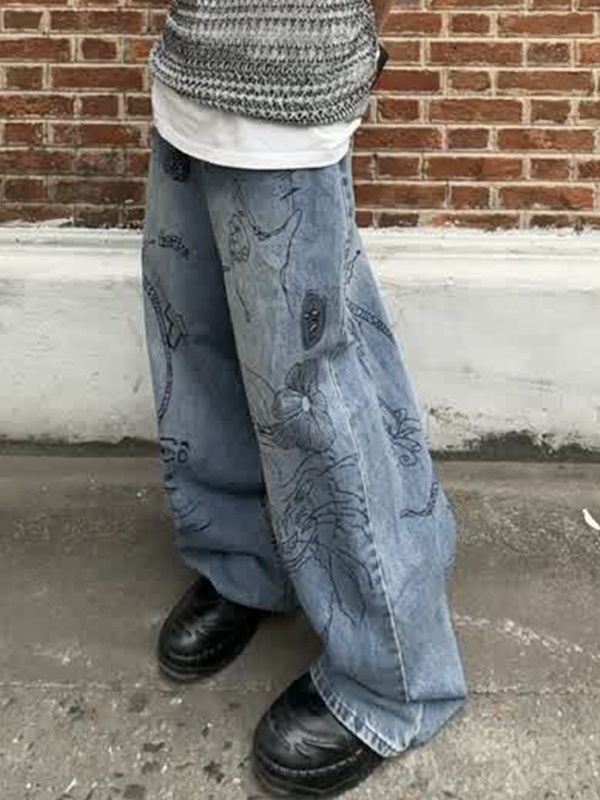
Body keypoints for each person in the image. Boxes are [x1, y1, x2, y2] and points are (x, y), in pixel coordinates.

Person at [142, 1, 467, 796]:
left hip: (292, 89)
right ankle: (248, 564)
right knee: (201, 358)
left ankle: (396, 680)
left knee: (313, 401)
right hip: (188, 74)